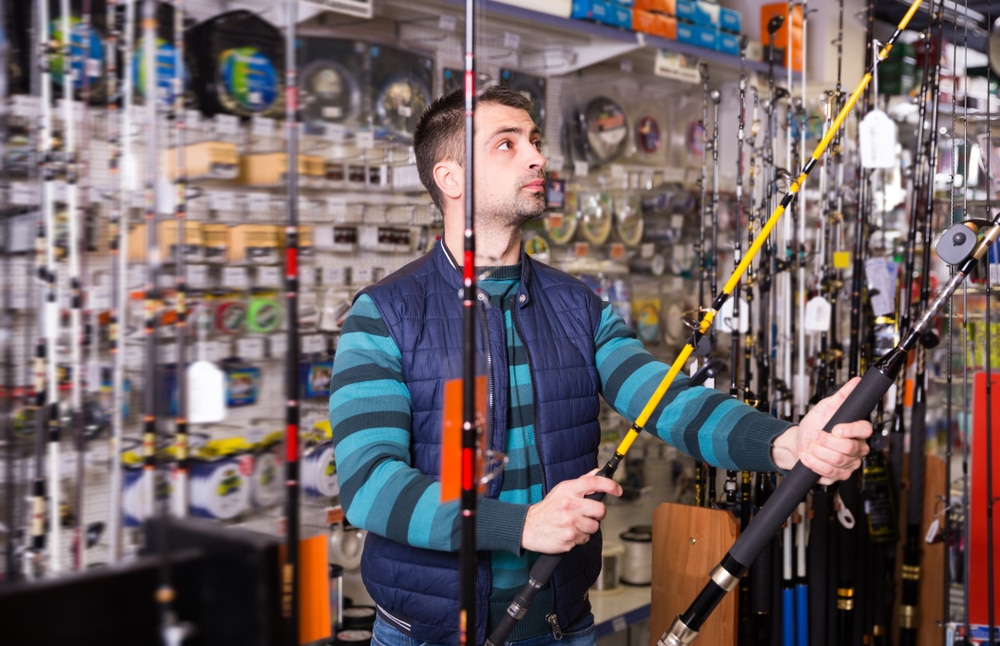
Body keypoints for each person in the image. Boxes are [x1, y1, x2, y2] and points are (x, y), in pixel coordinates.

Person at [328, 87, 872, 646]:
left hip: (559, 628)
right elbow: (369, 485)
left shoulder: (578, 306)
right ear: (450, 178)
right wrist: (520, 526)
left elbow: (663, 397)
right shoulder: (385, 314)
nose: (537, 157)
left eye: (535, 141)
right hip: (424, 634)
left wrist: (786, 443)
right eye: (507, 145)